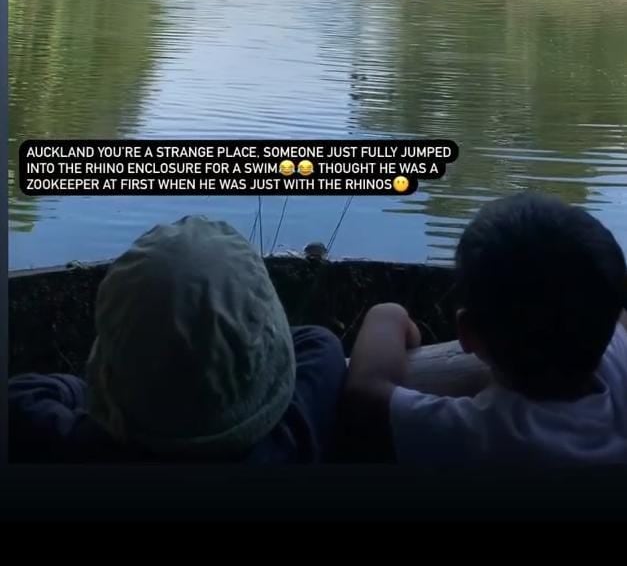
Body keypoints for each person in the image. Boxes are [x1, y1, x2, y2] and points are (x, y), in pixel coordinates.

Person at [9, 216, 346, 463]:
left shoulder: (74, 447)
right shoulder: (294, 435)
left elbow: (20, 396)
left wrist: (90, 393)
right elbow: (319, 344)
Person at [344, 193, 627, 465]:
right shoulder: (618, 354)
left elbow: (366, 393)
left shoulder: (481, 434)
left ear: (467, 334)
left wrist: (390, 314)